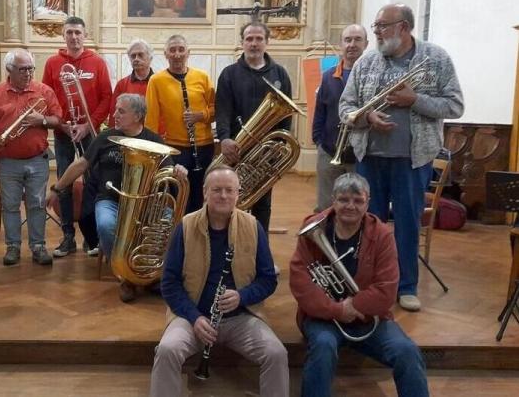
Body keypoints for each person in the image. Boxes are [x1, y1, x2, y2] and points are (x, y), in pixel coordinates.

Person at [339, 3, 464, 311]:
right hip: (370, 157)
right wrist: (367, 119)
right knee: (369, 223)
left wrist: (415, 100)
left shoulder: (436, 59)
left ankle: (406, 285)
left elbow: (455, 106)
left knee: (408, 223)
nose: (376, 31)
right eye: (376, 25)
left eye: (382, 25)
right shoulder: (366, 62)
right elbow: (346, 108)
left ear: (404, 27)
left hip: (413, 159)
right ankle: (369, 282)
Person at [150, 165, 287, 397]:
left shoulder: (253, 227)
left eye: (229, 190)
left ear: (238, 194)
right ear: (205, 192)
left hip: (240, 317)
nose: (223, 196)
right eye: (217, 190)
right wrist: (194, 317)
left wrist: (242, 296)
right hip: (192, 317)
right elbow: (169, 284)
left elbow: (268, 280)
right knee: (167, 349)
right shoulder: (186, 226)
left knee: (277, 353)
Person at [290, 172, 429, 396]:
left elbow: (387, 290)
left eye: (358, 200)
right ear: (333, 200)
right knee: (323, 347)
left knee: (407, 351)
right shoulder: (313, 229)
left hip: (368, 318)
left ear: (368, 203)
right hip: (323, 318)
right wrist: (336, 310)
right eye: (344, 199)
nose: (350, 206)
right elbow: (300, 281)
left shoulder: (382, 234)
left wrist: (354, 307)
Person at [47, 94, 187, 302]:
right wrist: (57, 188)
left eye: (121, 111)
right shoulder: (106, 138)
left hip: (145, 202)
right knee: (105, 224)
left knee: (168, 220)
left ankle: (150, 274)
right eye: (116, 110)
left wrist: (178, 169)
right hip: (110, 200)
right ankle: (125, 277)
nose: (115, 115)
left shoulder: (154, 140)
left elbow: (168, 168)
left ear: (138, 115)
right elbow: (80, 165)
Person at [0, 49, 62, 266]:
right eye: (22, 69)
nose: (28, 73)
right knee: (10, 205)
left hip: (37, 159)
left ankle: (38, 246)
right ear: (9, 70)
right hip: (7, 161)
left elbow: (57, 119)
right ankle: (13, 246)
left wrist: (41, 120)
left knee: (36, 204)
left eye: (30, 69)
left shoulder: (44, 90)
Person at [42, 16, 112, 258]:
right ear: (64, 35)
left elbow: (107, 98)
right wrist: (63, 123)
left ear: (85, 34)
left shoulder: (97, 62)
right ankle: (68, 236)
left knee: (94, 182)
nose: (73, 37)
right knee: (65, 181)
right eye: (69, 32)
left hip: (90, 133)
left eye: (77, 33)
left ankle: (92, 236)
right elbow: (47, 98)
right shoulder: (53, 63)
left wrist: (88, 124)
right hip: (63, 133)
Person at [215, 21, 292, 233]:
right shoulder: (229, 74)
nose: (254, 43)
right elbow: (222, 110)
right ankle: (229, 248)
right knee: (229, 201)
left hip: (266, 153)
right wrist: (224, 139)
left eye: (259, 39)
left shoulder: (280, 74)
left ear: (267, 42)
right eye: (249, 39)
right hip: (235, 150)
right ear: (242, 43)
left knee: (262, 204)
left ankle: (260, 253)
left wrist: (280, 150)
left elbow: (286, 117)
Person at [145, 34, 215, 214]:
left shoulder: (202, 77)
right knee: (179, 195)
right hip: (175, 149)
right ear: (165, 54)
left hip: (204, 146)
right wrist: (154, 152)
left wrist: (201, 115)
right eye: (172, 50)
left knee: (201, 194)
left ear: (188, 53)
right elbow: (151, 120)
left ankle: (198, 232)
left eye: (181, 50)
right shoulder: (156, 81)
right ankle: (181, 234)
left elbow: (217, 109)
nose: (177, 54)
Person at [312, 24, 368, 212]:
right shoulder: (328, 76)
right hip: (329, 151)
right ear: (341, 44)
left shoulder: (371, 77)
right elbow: (320, 110)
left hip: (360, 155)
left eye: (357, 39)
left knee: (356, 206)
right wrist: (318, 140)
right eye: (348, 40)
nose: (352, 44)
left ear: (366, 44)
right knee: (325, 206)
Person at [107, 39, 154, 129]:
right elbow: (115, 114)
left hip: (153, 136)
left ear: (150, 58)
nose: (136, 59)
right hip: (128, 136)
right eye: (133, 56)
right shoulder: (122, 84)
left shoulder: (158, 83)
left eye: (140, 55)